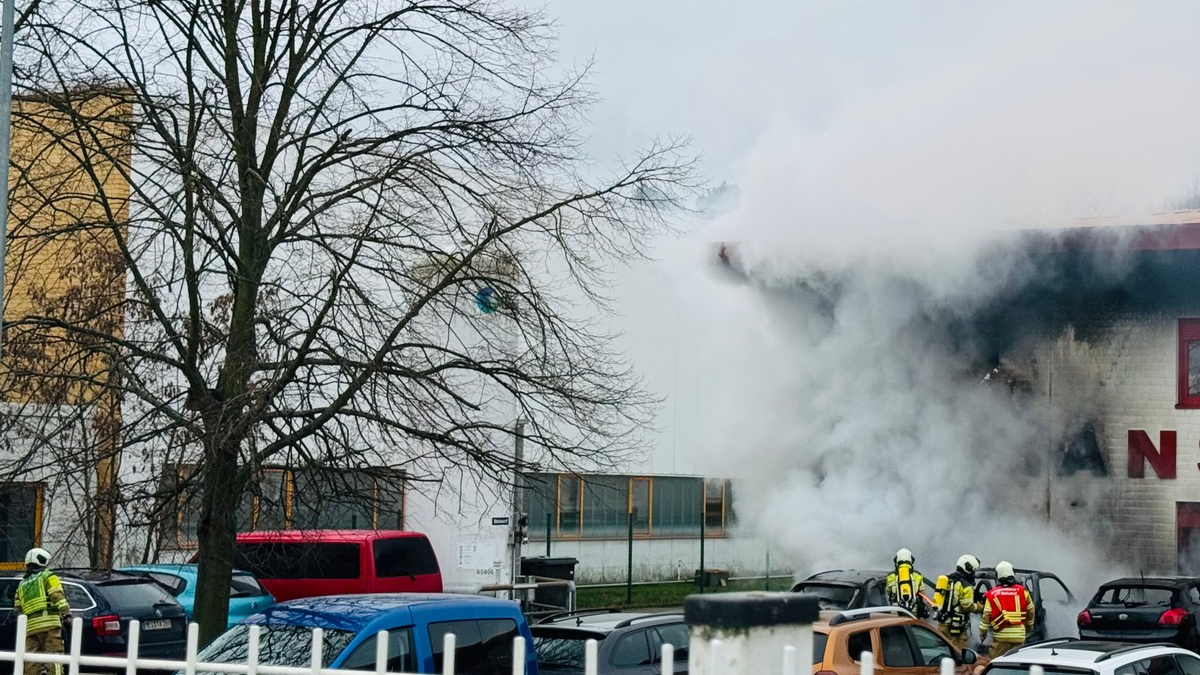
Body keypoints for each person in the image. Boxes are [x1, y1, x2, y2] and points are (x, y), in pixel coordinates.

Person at [14, 548, 71, 675]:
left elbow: (18, 608)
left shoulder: (22, 584)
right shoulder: (48, 576)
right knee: (54, 657)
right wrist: (66, 613)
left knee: (31, 660)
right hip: (50, 625)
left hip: (31, 628)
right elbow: (57, 595)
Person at [979, 561, 1034, 658]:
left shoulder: (992, 594)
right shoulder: (1023, 592)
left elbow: (986, 616)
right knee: (1016, 665)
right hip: (1019, 638)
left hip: (1000, 640)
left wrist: (982, 634)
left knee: (997, 665)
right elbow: (1031, 610)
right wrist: (1029, 627)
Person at [937, 554, 985, 650]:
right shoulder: (965, 585)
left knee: (942, 650)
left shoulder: (947, 580)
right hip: (956, 627)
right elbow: (968, 606)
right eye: (973, 571)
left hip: (942, 623)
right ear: (968, 568)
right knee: (957, 653)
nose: (973, 574)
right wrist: (981, 607)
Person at [886, 548, 929, 617]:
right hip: (913, 608)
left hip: (896, 609)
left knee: (897, 627)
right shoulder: (917, 575)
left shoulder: (890, 576)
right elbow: (922, 592)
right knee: (912, 627)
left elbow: (888, 592)